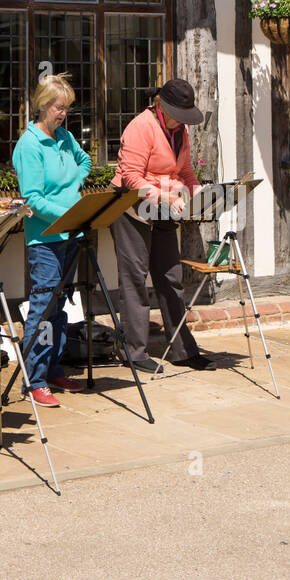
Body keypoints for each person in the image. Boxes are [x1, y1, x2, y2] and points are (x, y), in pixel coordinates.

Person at [111, 78, 213, 373]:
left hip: (163, 207)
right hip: (131, 207)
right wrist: (165, 197)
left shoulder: (180, 131)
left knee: (171, 276)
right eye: (178, 115)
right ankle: (133, 350)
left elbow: (185, 171)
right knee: (135, 279)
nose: (182, 121)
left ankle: (183, 350)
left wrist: (198, 192)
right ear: (162, 107)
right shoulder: (140, 127)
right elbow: (131, 176)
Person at [12, 74, 91, 407]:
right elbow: (31, 199)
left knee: (61, 307)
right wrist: (66, 211)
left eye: (68, 108)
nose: (64, 114)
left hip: (71, 233)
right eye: (60, 108)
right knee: (42, 309)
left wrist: (74, 191)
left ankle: (54, 366)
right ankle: (34, 378)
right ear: (44, 105)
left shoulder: (65, 138)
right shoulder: (29, 146)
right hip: (45, 240)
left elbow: (85, 162)